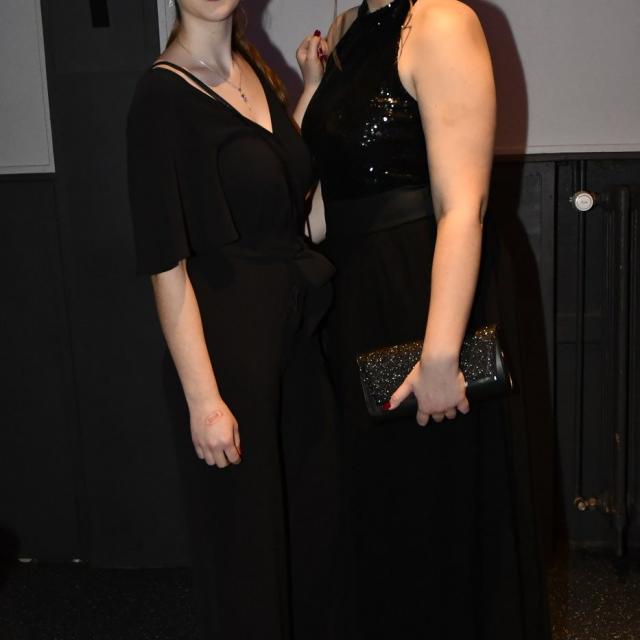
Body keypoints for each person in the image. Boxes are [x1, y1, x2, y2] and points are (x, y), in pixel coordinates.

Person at [297, 1, 551, 638]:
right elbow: (323, 200)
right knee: (377, 517)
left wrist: (439, 360)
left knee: (433, 511)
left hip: (422, 299)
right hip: (355, 302)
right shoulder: (347, 30)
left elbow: (463, 206)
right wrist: (311, 87)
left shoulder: (442, 20)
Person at [126, 1, 340, 638]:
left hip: (295, 338)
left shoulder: (253, 70)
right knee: (248, 555)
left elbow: (285, 197)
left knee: (311, 533)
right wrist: (204, 401)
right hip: (227, 360)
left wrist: (313, 89)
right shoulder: (160, 98)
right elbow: (166, 268)